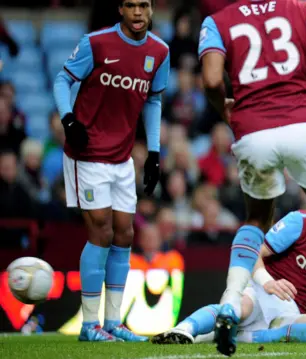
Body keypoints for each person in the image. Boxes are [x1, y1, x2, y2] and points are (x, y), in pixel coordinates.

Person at [198, 0, 306, 355]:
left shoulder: (217, 21)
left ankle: (230, 301)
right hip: (302, 124)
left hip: (253, 129)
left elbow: (212, 79)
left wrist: (227, 109)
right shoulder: (305, 9)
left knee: (256, 218)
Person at [52, 0, 169, 342]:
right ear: (120, 9)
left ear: (150, 10)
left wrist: (155, 152)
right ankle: (90, 326)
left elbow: (154, 100)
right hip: (86, 153)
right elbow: (62, 79)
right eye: (131, 5)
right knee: (101, 230)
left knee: (124, 234)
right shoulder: (96, 43)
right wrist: (68, 118)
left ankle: (114, 322)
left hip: (121, 158)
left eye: (143, 5)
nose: (137, 12)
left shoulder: (159, 51)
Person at [151, 175, 306, 345]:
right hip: (263, 291)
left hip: (297, 311)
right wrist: (267, 281)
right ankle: (183, 330)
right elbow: (253, 252)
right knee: (241, 308)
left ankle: (243, 337)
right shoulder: (301, 221)